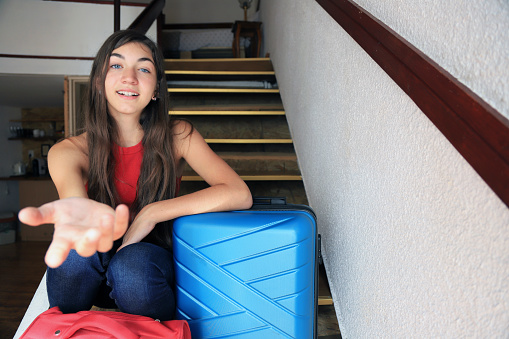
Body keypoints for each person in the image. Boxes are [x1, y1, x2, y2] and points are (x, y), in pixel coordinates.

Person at [18, 29, 253, 321]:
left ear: (155, 89)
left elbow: (238, 193)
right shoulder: (68, 151)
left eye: (143, 68)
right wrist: (80, 216)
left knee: (131, 268)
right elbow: (75, 204)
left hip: (148, 270)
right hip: (93, 265)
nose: (130, 77)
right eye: (116, 65)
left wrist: (151, 213)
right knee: (77, 254)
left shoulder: (179, 135)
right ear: (98, 82)